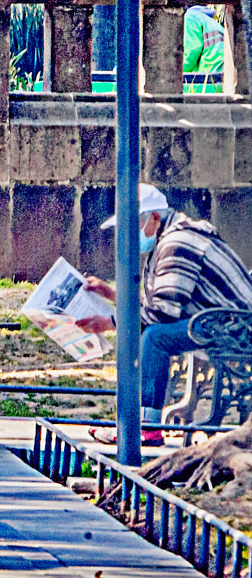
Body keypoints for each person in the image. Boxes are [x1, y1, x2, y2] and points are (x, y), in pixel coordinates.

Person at [77, 184, 252, 441]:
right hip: (221, 322)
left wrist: (110, 322)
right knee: (151, 333)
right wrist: (111, 294)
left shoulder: (177, 242)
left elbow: (162, 314)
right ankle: (136, 422)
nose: (130, 235)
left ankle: (147, 427)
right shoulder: (168, 239)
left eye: (134, 226)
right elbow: (160, 302)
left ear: (155, 218)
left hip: (236, 329)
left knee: (155, 338)